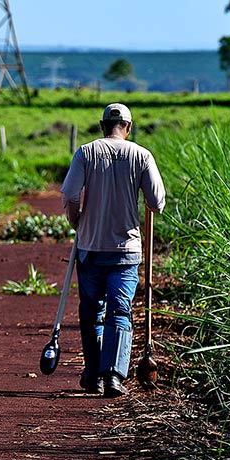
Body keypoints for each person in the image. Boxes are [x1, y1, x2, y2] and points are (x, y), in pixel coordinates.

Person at [60, 103, 165, 398]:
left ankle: (93, 375)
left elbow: (69, 193)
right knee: (120, 311)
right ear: (128, 128)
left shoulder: (86, 152)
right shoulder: (141, 155)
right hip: (126, 251)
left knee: (91, 311)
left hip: (90, 246)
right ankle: (114, 376)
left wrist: (76, 221)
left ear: (101, 125)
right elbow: (156, 202)